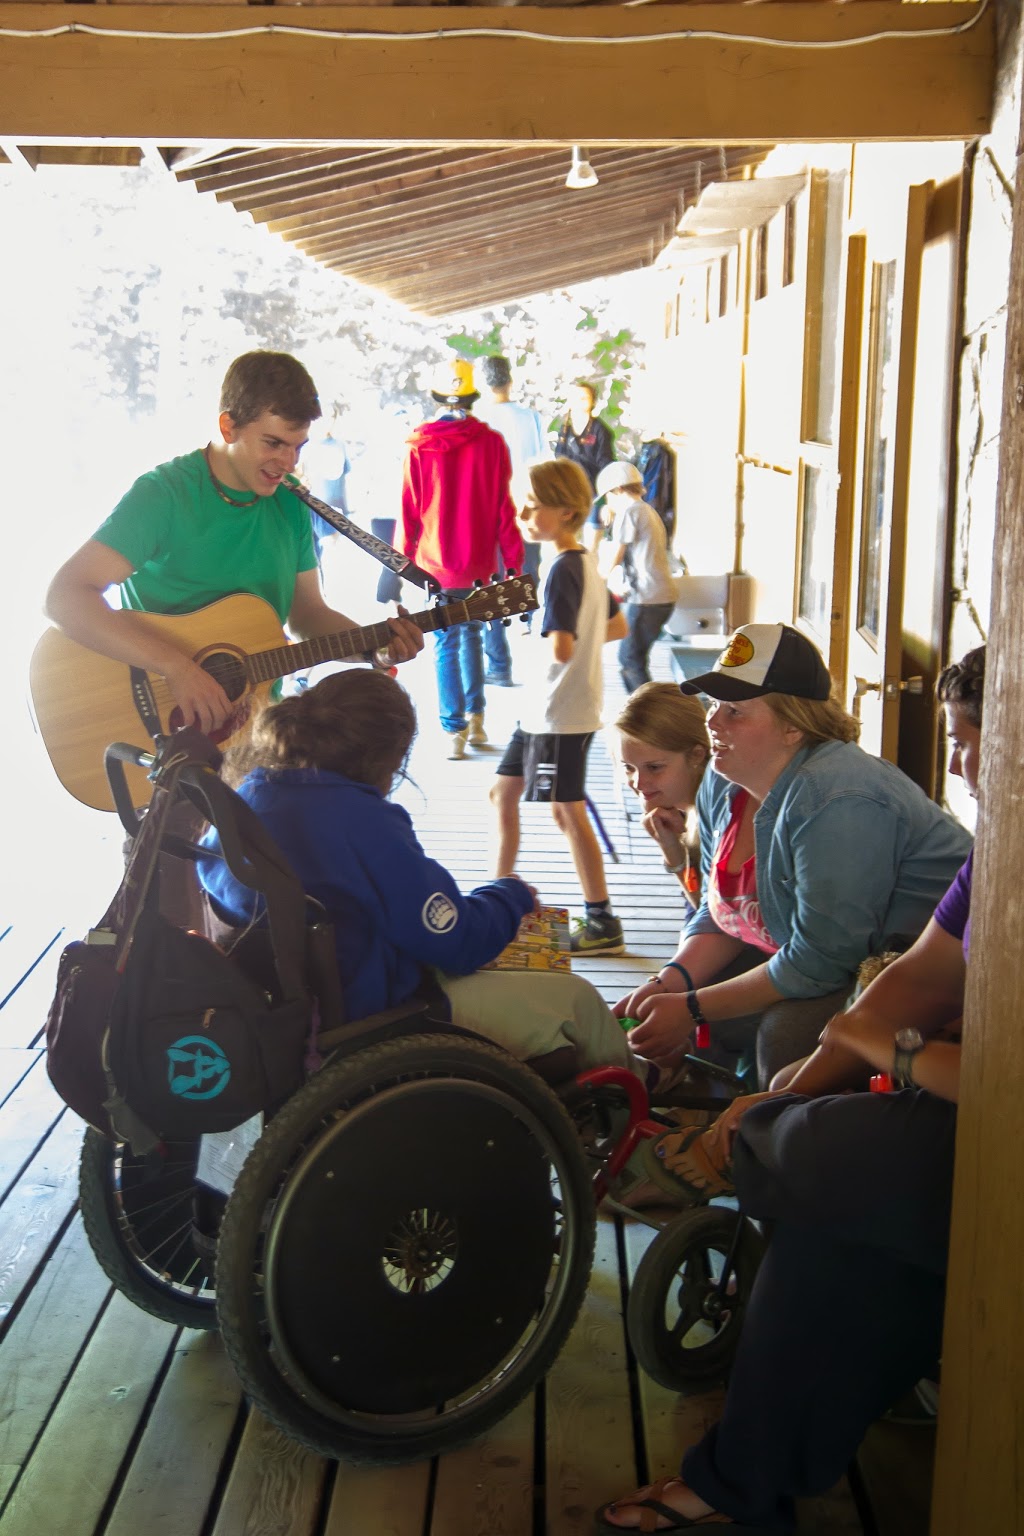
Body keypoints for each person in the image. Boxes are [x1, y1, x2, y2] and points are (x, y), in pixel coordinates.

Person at [597, 646, 984, 1533]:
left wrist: (884, 1052)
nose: (958, 762)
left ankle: (723, 1162)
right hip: (944, 1070)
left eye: (973, 740)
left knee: (805, 1132)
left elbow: (842, 979)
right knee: (814, 1182)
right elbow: (916, 978)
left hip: (968, 1092)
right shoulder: (995, 859)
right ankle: (740, 1481)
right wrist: (692, 1007)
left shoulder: (838, 797)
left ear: (795, 716)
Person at [197, 667, 683, 1095]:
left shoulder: (249, 794)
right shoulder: (362, 821)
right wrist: (510, 897)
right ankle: (641, 1114)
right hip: (371, 1016)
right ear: (389, 756)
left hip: (289, 1005)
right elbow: (456, 940)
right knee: (575, 1000)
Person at [617, 623, 972, 1088]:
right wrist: (670, 984)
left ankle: (756, 1135)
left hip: (927, 974)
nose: (714, 722)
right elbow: (718, 910)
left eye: (736, 712)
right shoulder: (724, 781)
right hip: (839, 957)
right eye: (715, 705)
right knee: (693, 1003)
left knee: (783, 1037)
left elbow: (822, 961)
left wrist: (692, 1008)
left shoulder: (835, 797)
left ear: (792, 725)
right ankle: (711, 1109)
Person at [44, 350, 424, 738]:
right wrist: (177, 667)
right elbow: (64, 596)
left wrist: (373, 650)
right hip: (165, 731)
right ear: (228, 427)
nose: (288, 462)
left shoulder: (291, 504)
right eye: (274, 443)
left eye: (298, 447)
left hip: (254, 729)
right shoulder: (164, 495)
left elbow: (307, 615)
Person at [490, 459, 629, 956]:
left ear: (567, 510)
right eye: (520, 501)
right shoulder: (583, 561)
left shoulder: (562, 570)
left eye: (533, 505)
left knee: (566, 811)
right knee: (503, 793)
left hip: (558, 713)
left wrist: (529, 630)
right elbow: (617, 627)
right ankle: (495, 899)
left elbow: (562, 648)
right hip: (547, 710)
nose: (522, 512)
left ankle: (601, 920)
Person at [396, 357, 523, 760]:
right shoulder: (492, 443)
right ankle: (478, 717)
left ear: (436, 397)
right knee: (470, 634)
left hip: (435, 563)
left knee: (446, 642)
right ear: (472, 397)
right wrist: (514, 561)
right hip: (480, 563)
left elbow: (409, 510)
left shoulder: (419, 446)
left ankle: (455, 729)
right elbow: (504, 507)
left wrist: (401, 565)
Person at [476, 353, 546, 666]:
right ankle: (530, 624)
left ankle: (498, 660)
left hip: (488, 510)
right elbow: (542, 462)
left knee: (491, 579)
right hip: (526, 504)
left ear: (482, 382)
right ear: (510, 380)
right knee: (528, 568)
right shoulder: (530, 417)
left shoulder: (475, 419)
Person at [614, 683, 710, 910]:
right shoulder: (684, 808)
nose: (638, 783)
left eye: (654, 767)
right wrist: (670, 845)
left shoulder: (718, 815)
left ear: (696, 755)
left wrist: (674, 854)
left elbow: (710, 914)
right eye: (629, 767)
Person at [596, 461, 678, 694]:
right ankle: (644, 715)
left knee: (630, 660)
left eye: (608, 496)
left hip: (648, 597)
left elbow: (615, 557)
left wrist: (594, 583)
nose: (607, 502)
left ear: (619, 490)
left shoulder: (629, 512)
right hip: (659, 594)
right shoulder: (646, 510)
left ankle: (646, 718)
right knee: (634, 659)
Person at [555, 380, 615, 552]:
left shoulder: (600, 431)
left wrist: (609, 502)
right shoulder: (565, 429)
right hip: (569, 495)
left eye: (584, 398)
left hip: (594, 496)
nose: (580, 401)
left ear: (592, 401)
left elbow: (606, 466)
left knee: (590, 550)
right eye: (576, 398)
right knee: (566, 547)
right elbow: (559, 459)